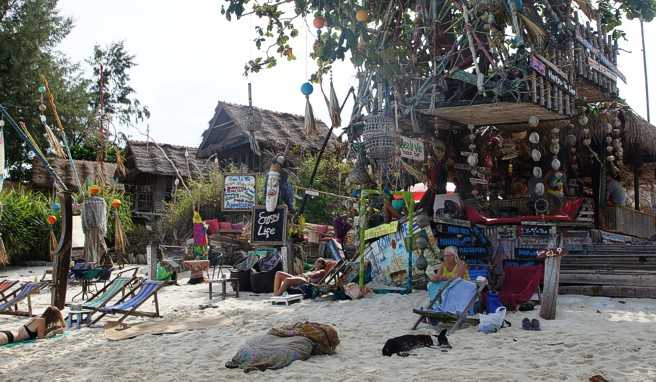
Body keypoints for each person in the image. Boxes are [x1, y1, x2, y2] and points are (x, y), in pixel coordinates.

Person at [0, 306, 65, 345]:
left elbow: (40, 333)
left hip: (8, 334)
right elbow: (41, 337)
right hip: (9, 337)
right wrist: (54, 331)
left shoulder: (37, 318)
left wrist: (53, 328)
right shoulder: (41, 321)